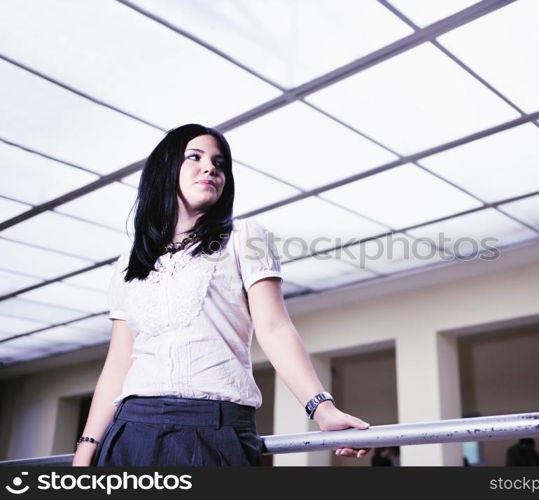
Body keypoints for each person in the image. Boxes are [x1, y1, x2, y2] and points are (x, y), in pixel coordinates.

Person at [72, 124, 370, 466]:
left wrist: (322, 409)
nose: (211, 167)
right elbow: (118, 363)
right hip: (132, 428)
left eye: (219, 163)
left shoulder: (245, 237)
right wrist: (86, 446)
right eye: (194, 157)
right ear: (165, 169)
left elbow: (275, 329)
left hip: (214, 426)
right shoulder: (130, 262)